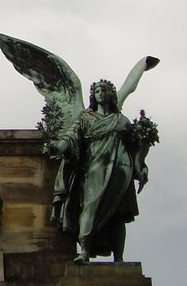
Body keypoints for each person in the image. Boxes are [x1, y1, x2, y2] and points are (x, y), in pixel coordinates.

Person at [52, 80, 147, 264]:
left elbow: (135, 148)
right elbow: (70, 137)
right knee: (89, 208)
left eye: (104, 90)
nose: (100, 93)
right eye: (97, 91)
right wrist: (58, 147)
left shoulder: (121, 120)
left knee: (118, 215)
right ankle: (84, 251)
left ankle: (119, 258)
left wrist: (141, 165)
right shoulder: (85, 118)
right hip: (94, 171)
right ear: (93, 96)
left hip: (121, 172)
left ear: (111, 94)